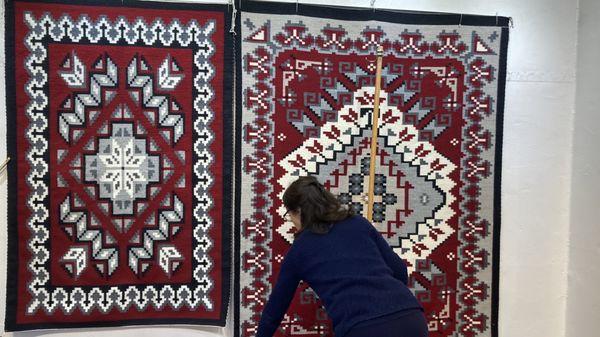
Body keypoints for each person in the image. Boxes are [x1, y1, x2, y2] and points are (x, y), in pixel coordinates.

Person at [255, 176, 428, 337]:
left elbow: (275, 310)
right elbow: (399, 270)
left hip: (363, 328)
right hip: (411, 317)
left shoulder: (299, 250)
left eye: (289, 215)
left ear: (298, 211)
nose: (291, 221)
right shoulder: (358, 223)